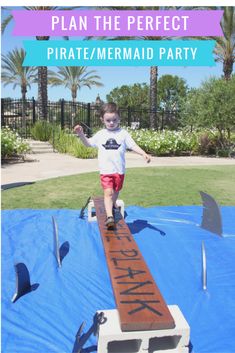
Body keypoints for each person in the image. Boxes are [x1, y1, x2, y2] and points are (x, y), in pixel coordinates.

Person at [74, 102, 151, 229]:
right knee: (108, 192)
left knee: (115, 192)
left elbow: (133, 146)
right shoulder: (101, 134)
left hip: (119, 171)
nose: (111, 123)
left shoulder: (123, 134)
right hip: (106, 171)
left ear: (119, 118)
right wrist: (81, 134)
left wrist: (143, 153)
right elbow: (88, 143)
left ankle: (113, 205)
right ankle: (109, 217)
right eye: (108, 120)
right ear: (102, 120)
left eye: (114, 120)